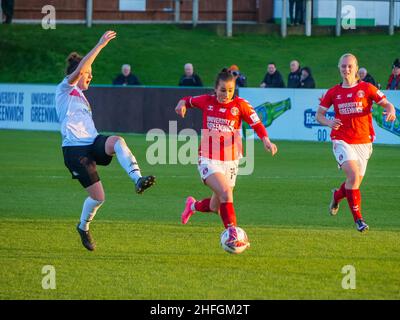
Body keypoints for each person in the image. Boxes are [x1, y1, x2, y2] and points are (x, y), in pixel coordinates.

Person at [55, 31, 155, 251]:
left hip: (92, 142)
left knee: (117, 141)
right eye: (87, 73)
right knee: (99, 198)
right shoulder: (64, 89)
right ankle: (83, 227)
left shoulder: (81, 96)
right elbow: (81, 68)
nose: (90, 75)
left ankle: (137, 179)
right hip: (75, 151)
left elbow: (82, 70)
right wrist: (100, 45)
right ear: (77, 74)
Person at [175, 68, 278, 249]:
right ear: (215, 89)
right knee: (226, 193)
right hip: (207, 157)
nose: (226, 94)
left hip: (231, 160)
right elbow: (187, 100)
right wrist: (181, 104)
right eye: (223, 90)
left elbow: (256, 122)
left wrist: (266, 140)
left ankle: (192, 206)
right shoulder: (206, 101)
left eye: (230, 90)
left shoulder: (240, 105)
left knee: (216, 206)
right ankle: (233, 236)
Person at [317, 53, 396, 232]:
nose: (346, 69)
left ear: (356, 68)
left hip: (363, 142)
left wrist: (391, 111)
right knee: (352, 175)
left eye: (350, 66)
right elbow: (319, 115)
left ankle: (337, 196)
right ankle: (359, 220)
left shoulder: (367, 88)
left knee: (354, 183)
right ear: (339, 68)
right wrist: (329, 122)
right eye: (343, 66)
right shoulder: (333, 92)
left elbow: (387, 104)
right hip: (341, 139)